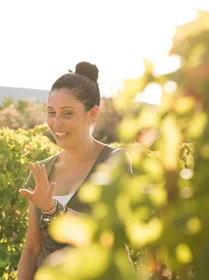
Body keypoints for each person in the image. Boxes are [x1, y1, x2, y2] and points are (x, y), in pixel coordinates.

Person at [17, 62, 132, 279]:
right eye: (51, 112)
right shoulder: (41, 171)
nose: (56, 123)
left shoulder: (114, 162)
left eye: (67, 114)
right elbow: (32, 248)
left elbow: (114, 236)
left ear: (92, 113)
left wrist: (54, 211)